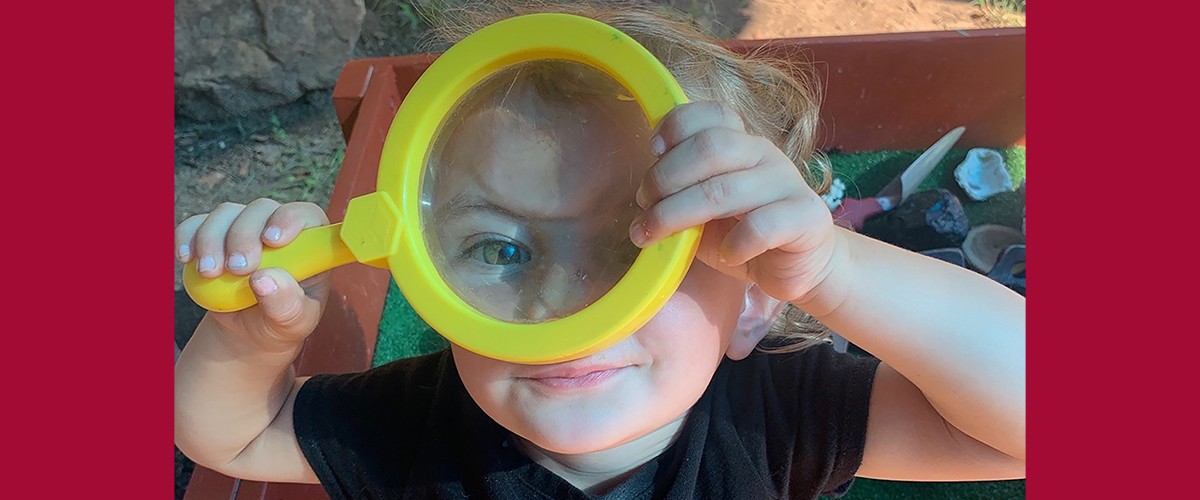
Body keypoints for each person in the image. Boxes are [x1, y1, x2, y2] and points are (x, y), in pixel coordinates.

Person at [174, 2, 1025, 499]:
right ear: (424, 268)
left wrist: (837, 269)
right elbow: (233, 440)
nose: (564, 303)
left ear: (760, 297)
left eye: (636, 242)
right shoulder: (415, 421)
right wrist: (251, 342)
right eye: (500, 250)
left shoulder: (774, 416)